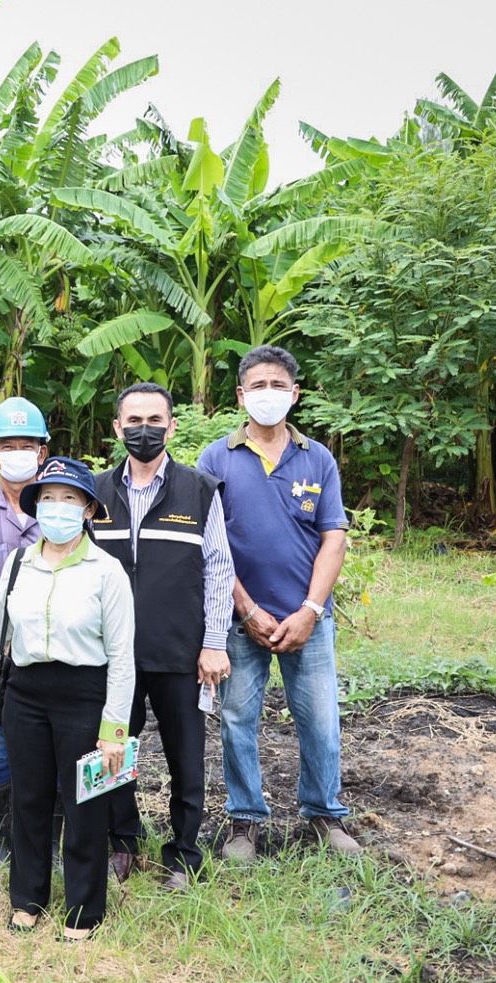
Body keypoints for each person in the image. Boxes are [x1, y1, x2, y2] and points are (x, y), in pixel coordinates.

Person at [197, 345, 361, 860]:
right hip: (237, 618)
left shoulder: (317, 458)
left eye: (278, 385)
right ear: (241, 395)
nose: (267, 394)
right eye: (258, 386)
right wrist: (246, 609)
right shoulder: (216, 458)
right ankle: (244, 820)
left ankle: (324, 815)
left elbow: (333, 538)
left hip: (307, 618)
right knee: (237, 719)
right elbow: (210, 545)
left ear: (295, 394)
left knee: (320, 719)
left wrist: (310, 610)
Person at [0, 456, 135, 939]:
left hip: (84, 694)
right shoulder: (21, 563)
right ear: (36, 506)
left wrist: (114, 729)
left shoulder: (107, 571)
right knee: (29, 799)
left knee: (84, 805)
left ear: (88, 509)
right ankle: (27, 899)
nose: (57, 507)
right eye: (48, 498)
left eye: (69, 498)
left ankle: (84, 909)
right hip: (26, 694)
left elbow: (122, 655)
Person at [95, 382, 234, 891]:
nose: (144, 430)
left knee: (186, 758)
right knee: (113, 750)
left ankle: (183, 853)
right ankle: (122, 843)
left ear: (172, 426)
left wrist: (214, 642)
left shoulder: (199, 490)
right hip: (112, 654)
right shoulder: (94, 492)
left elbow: (219, 569)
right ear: (117, 428)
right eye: (134, 421)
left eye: (155, 420)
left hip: (180, 651)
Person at [0, 397, 49, 867]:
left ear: (42, 452)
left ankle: (50, 845)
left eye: (26, 445)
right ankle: (3, 845)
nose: (17, 453)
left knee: (52, 751)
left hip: (51, 654)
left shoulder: (63, 509)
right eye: (7, 445)